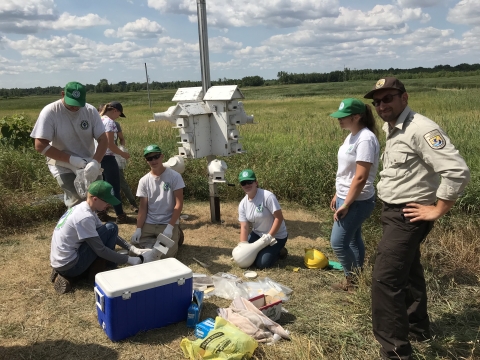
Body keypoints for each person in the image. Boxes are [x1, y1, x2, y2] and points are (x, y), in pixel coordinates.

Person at [364, 77, 470, 360]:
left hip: (408, 215)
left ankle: (396, 351)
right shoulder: (394, 127)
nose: (381, 105)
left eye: (388, 98)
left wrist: (437, 208)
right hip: (394, 212)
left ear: (404, 98)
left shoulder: (421, 128)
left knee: (385, 280)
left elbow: (457, 170)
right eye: (377, 101)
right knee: (408, 270)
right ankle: (417, 328)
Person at [50, 180, 151, 294]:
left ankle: (67, 273)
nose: (109, 205)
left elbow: (108, 231)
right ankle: (95, 272)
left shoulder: (85, 208)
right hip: (70, 265)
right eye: (107, 201)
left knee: (111, 227)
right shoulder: (84, 217)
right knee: (108, 232)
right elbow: (101, 250)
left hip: (62, 260)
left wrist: (133, 249)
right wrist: (131, 260)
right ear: (95, 199)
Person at [328, 98, 380, 291]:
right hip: (346, 197)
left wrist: (346, 204)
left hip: (357, 200)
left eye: (343, 117)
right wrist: (337, 194)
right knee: (352, 239)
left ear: (357, 116)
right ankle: (358, 278)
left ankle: (353, 281)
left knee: (338, 243)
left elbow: (360, 177)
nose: (339, 120)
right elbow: (347, 171)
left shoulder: (365, 139)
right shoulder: (352, 135)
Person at [31, 82, 107, 208]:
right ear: (62, 94)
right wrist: (71, 159)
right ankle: (73, 226)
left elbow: (103, 140)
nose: (75, 108)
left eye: (78, 104)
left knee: (95, 198)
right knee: (76, 200)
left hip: (88, 161)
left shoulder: (90, 111)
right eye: (72, 103)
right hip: (62, 163)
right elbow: (40, 145)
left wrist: (95, 162)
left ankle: (92, 225)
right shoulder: (51, 112)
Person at [130, 145, 185, 258]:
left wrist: (170, 226)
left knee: (166, 255)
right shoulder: (144, 181)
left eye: (156, 156)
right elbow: (143, 208)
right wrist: (139, 229)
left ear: (162, 156)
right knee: (133, 252)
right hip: (150, 223)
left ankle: (177, 234)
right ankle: (155, 243)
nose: (154, 160)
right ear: (146, 161)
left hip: (168, 222)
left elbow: (178, 204)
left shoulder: (175, 176)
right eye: (150, 158)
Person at [237, 169, 288, 269]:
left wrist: (269, 237)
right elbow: (244, 227)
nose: (247, 185)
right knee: (245, 258)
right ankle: (262, 250)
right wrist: (243, 246)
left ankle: (281, 251)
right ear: (241, 186)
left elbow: (279, 218)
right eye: (243, 183)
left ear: (256, 182)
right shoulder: (242, 204)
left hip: (276, 236)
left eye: (249, 182)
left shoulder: (267, 196)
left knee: (261, 264)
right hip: (258, 233)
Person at [97, 101, 131, 224]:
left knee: (101, 187)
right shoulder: (110, 122)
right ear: (115, 111)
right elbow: (110, 144)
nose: (118, 117)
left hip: (96, 159)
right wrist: (123, 154)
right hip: (108, 158)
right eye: (119, 114)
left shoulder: (98, 119)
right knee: (114, 188)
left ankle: (101, 213)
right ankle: (120, 215)